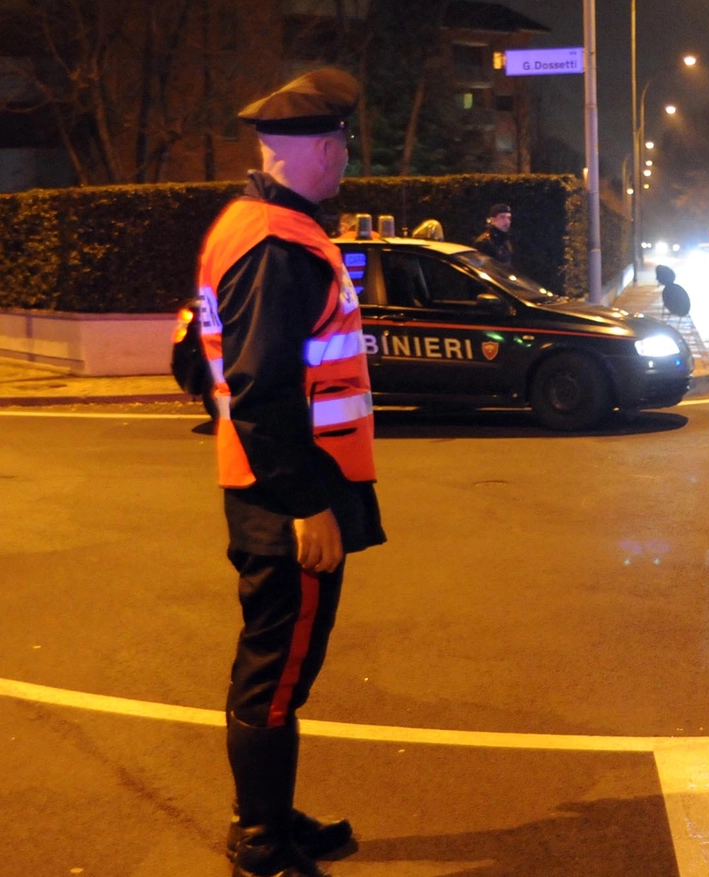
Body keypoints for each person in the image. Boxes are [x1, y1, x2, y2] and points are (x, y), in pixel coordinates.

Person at [196, 67, 385, 877]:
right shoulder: (281, 244)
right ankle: (261, 842)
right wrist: (310, 503)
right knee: (276, 673)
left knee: (279, 665)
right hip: (290, 498)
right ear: (302, 149)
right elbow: (263, 390)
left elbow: (191, 358)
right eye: (338, 140)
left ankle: (272, 814)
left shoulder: (240, 226)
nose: (346, 153)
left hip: (263, 485)